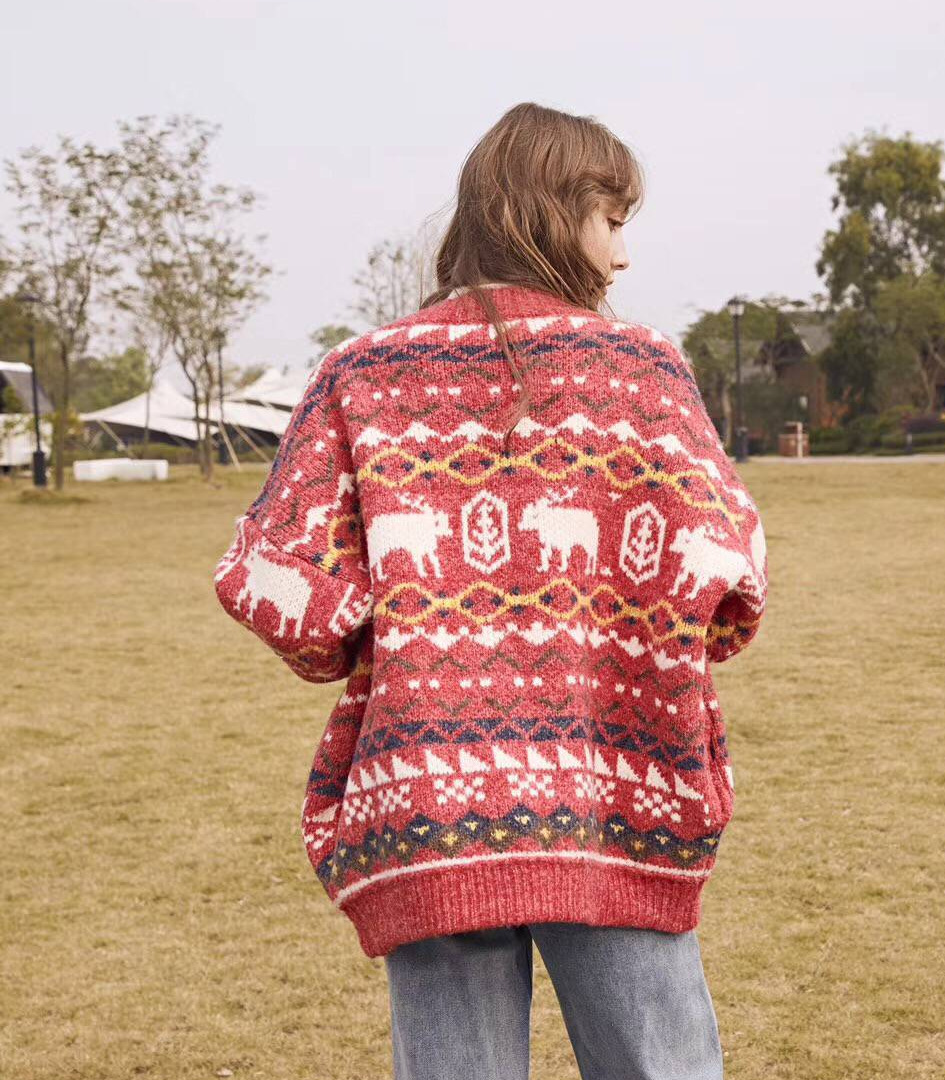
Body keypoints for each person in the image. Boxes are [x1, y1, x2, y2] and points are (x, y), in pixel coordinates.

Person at [212, 101, 768, 1080]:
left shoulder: (360, 376)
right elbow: (734, 587)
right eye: (612, 220)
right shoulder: (644, 374)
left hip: (429, 801)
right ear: (551, 212)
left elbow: (283, 594)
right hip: (619, 790)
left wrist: (395, 638)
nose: (624, 254)